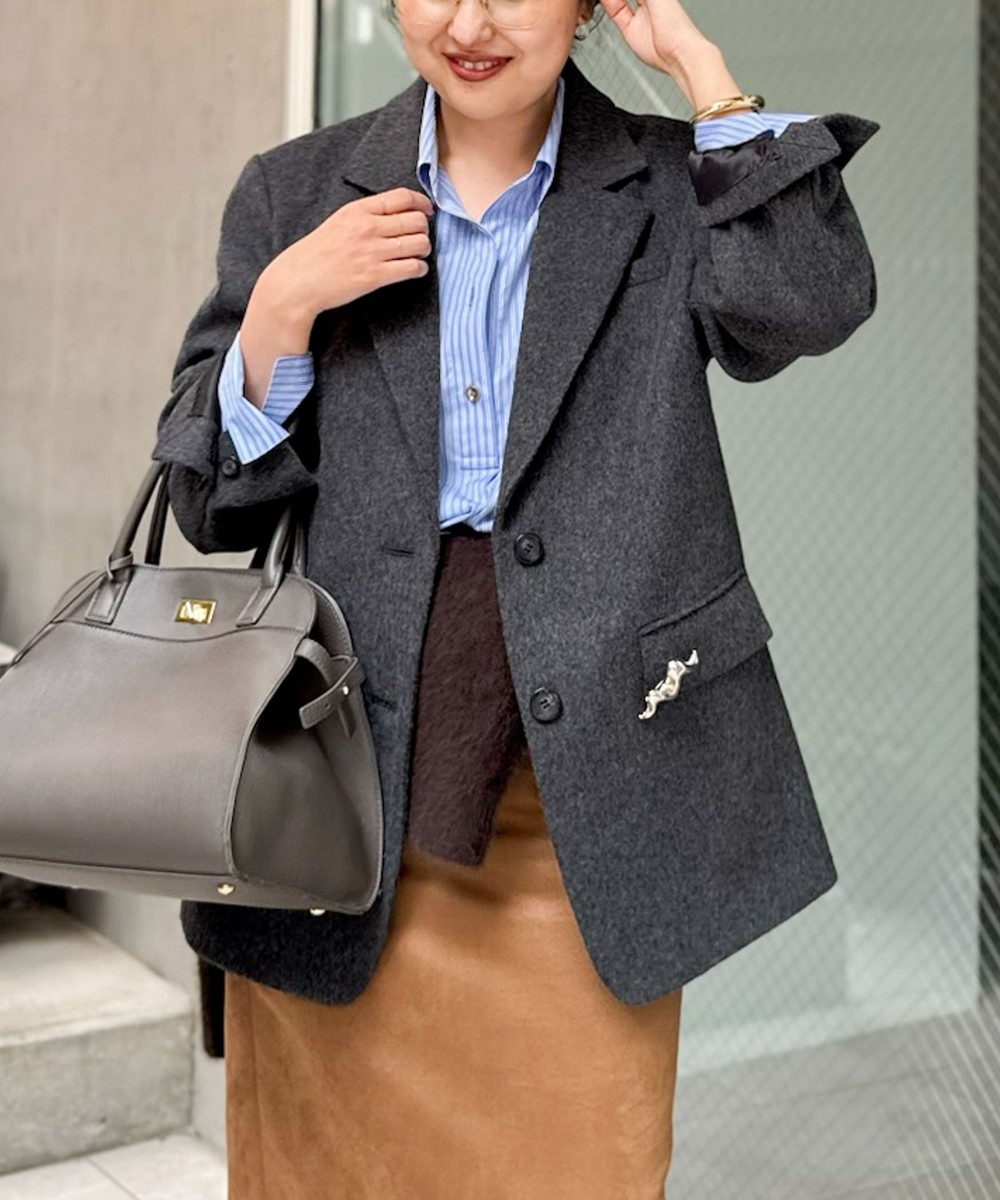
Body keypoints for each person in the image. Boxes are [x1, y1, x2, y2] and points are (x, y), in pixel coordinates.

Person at [153, 0, 880, 1193]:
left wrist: (703, 75)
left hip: (581, 805)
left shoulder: (667, 183)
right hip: (337, 803)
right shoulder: (296, 192)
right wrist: (282, 309)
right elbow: (209, 503)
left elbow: (809, 299)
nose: (469, 21)